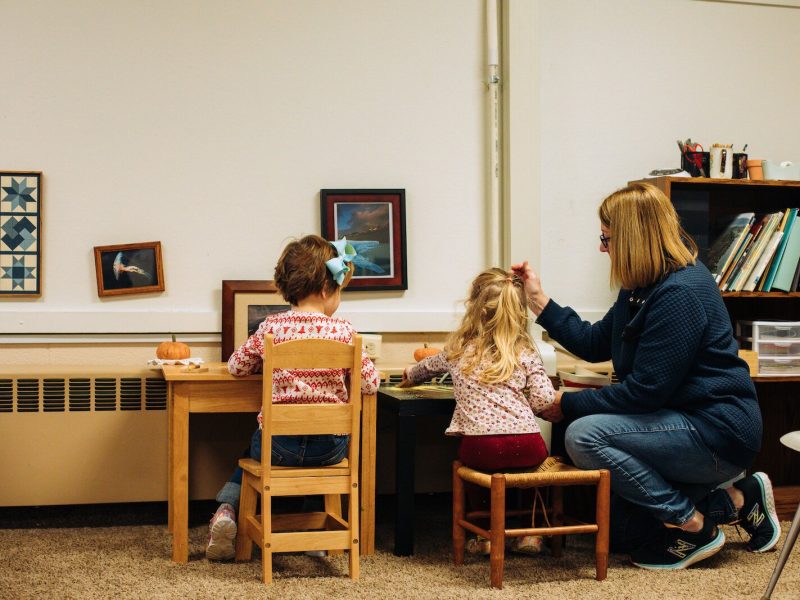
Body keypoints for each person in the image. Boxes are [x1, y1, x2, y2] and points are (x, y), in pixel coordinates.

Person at [511, 182, 781, 570]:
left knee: (582, 435)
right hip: (676, 424)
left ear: (632, 238)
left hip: (717, 433)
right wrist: (537, 299)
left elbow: (644, 394)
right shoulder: (640, 287)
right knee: (626, 535)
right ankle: (739, 499)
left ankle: (695, 527)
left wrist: (565, 404)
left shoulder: (680, 293)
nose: (602, 249)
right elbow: (594, 342)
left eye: (606, 239)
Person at [206, 234, 380, 561]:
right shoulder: (345, 332)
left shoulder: (271, 328)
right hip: (330, 448)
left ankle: (226, 510)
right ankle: (314, 533)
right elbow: (371, 385)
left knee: (255, 444)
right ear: (328, 289)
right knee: (316, 451)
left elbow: (235, 366)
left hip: (279, 449)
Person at [399, 267, 556, 555]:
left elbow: (425, 368)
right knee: (535, 473)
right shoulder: (525, 350)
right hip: (527, 445)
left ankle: (483, 535)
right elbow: (543, 400)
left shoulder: (459, 349)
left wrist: (409, 373)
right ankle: (530, 534)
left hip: (480, 447)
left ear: (473, 307)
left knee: (474, 469)